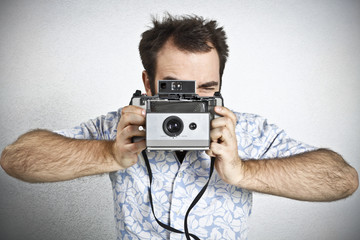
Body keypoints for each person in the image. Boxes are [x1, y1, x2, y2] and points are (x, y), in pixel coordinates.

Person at [0, 14, 358, 240]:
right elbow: (17, 158)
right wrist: (108, 153)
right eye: (176, 89)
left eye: (206, 89)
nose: (191, 102)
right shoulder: (123, 125)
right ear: (148, 81)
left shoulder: (244, 129)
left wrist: (242, 170)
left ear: (221, 81)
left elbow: (342, 179)